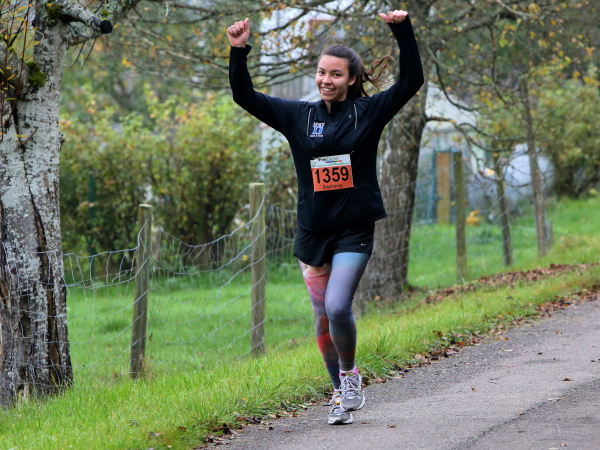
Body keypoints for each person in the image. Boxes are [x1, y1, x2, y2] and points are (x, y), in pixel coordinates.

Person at [227, 9, 423, 425]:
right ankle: (337, 394)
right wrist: (238, 50)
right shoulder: (299, 116)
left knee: (337, 306)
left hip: (353, 230)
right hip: (313, 233)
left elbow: (411, 81)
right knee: (321, 317)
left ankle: (349, 378)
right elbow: (245, 96)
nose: (326, 80)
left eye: (336, 74)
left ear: (351, 79)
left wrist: (402, 30)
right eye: (321, 73)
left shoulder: (368, 112)